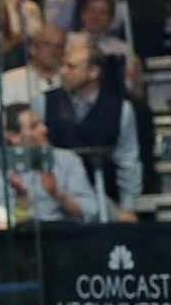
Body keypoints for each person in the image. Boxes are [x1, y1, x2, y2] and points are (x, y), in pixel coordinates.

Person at [44, 37, 142, 222]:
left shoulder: (121, 109)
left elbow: (128, 160)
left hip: (104, 197)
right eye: (62, 65)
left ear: (93, 72)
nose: (62, 72)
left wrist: (128, 207)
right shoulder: (44, 102)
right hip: (57, 199)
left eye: (71, 67)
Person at [0, 104, 97, 224]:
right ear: (13, 137)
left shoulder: (67, 159)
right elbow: (4, 226)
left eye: (41, 123)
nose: (44, 129)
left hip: (69, 234)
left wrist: (56, 193)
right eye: (34, 126)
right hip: (25, 239)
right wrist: (22, 197)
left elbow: (91, 210)